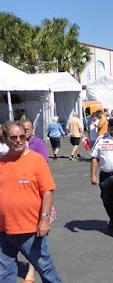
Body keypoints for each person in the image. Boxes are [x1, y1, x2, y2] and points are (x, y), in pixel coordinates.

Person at [0, 121, 62, 283]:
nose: (19, 140)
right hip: (3, 229)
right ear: (5, 140)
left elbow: (47, 191)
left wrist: (45, 218)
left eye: (22, 136)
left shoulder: (36, 160)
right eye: (14, 137)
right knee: (5, 272)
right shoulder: (1, 163)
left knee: (45, 269)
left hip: (30, 228)